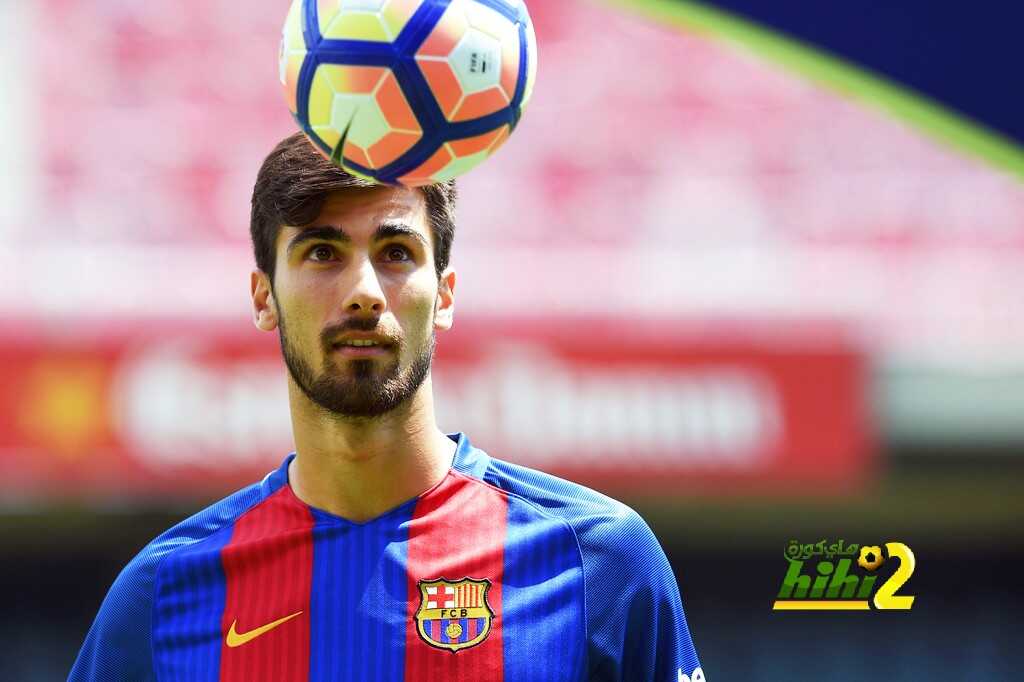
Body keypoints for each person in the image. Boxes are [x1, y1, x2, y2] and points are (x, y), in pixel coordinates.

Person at [69, 132, 705, 682]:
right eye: (322, 252)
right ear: (263, 297)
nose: (364, 292)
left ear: (446, 294)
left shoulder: (598, 559)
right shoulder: (162, 593)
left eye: (396, 253)